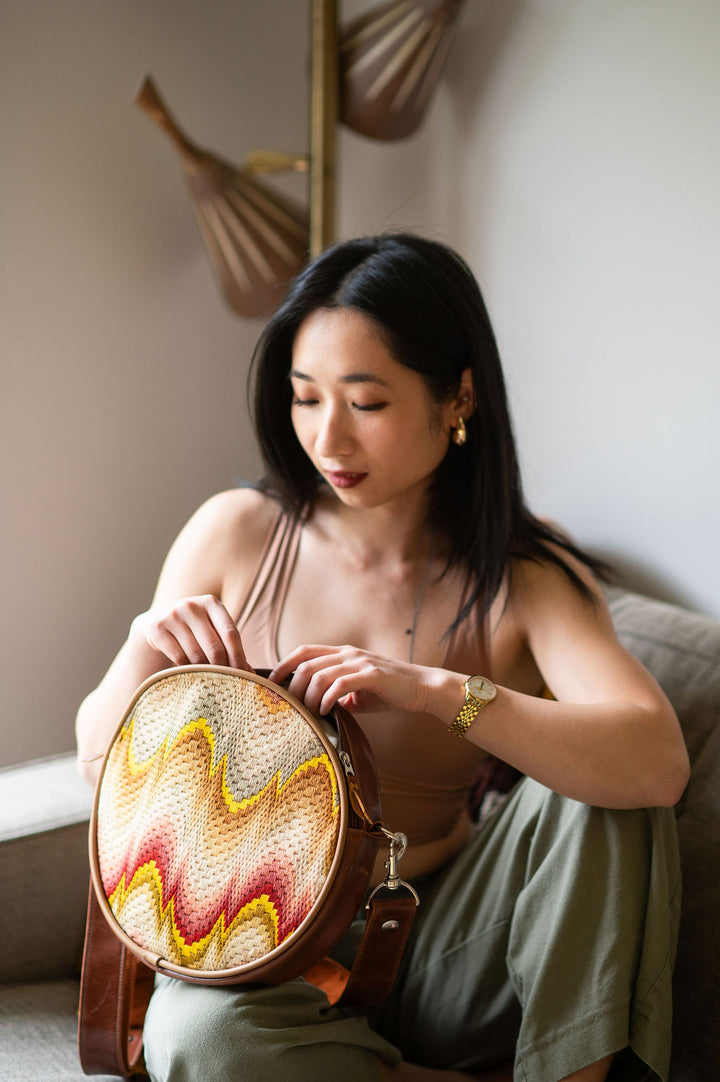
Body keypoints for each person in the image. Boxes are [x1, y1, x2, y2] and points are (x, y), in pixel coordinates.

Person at [76, 233, 690, 1082]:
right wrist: (145, 647)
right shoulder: (237, 532)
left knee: (606, 790)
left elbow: (656, 764)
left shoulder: (525, 577)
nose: (329, 439)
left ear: (457, 397)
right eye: (304, 398)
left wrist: (440, 692)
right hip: (261, 953)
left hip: (449, 946)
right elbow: (99, 764)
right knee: (203, 1041)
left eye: (366, 404)